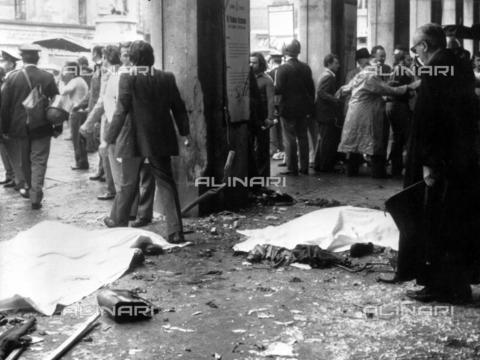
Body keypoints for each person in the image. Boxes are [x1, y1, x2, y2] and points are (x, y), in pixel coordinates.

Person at [385, 24, 480, 304]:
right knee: (457, 222)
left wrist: (428, 163)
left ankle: (440, 286)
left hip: (438, 159)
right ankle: (458, 284)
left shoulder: (432, 70)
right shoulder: (460, 66)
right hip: (461, 158)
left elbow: (428, 119)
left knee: (433, 220)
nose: (416, 54)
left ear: (425, 46)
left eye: (416, 49)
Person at [104, 40, 191, 244]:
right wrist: (185, 132)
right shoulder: (166, 77)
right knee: (166, 183)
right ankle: (176, 231)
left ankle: (118, 224)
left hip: (133, 138)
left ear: (133, 59)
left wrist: (109, 138)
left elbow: (121, 110)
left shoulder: (128, 77)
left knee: (128, 183)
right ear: (151, 57)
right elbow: (178, 106)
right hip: (160, 139)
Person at [0, 44, 60, 209]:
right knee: (39, 161)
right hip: (42, 126)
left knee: (24, 161)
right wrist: (58, 125)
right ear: (37, 58)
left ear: (22, 58)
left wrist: (4, 128)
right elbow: (57, 103)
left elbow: (4, 106)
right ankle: (36, 196)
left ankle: (28, 187)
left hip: (19, 128)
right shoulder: (47, 77)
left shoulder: (12, 78)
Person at [337, 57, 411, 178]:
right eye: (377, 65)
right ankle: (378, 173)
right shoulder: (371, 76)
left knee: (353, 144)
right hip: (367, 115)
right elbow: (388, 90)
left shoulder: (359, 75)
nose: (379, 67)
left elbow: (345, 89)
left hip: (354, 113)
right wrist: (407, 87)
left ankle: (351, 171)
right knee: (375, 143)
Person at [80, 45, 121, 200]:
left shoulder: (109, 73)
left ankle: (113, 191)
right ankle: (115, 190)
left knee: (108, 154)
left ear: (106, 58)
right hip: (116, 119)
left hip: (110, 119)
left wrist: (87, 124)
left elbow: (102, 100)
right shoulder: (120, 71)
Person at [274, 39, 315, 176]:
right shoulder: (306, 67)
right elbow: (311, 89)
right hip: (303, 110)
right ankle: (304, 167)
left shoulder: (282, 69)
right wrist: (309, 108)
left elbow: (278, 89)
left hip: (287, 109)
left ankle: (292, 168)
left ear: (286, 52)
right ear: (298, 52)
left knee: (289, 138)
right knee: (303, 137)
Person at [385, 47, 414, 177]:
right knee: (405, 137)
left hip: (392, 105)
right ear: (402, 60)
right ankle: (403, 168)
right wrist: (412, 92)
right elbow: (402, 90)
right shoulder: (403, 71)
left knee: (397, 138)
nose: (411, 61)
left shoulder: (394, 70)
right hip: (399, 106)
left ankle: (396, 168)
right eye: (408, 59)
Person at [313, 54, 343, 172]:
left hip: (322, 113)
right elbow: (321, 92)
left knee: (323, 139)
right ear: (329, 64)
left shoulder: (326, 75)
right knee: (327, 140)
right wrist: (336, 100)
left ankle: (319, 164)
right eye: (336, 63)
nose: (338, 65)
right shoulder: (329, 76)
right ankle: (325, 166)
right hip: (325, 114)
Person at [61, 61, 89, 170]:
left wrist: (62, 80)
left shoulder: (74, 81)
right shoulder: (81, 80)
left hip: (77, 113)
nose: (65, 73)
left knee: (76, 138)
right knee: (81, 139)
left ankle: (80, 163)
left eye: (67, 70)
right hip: (83, 112)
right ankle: (83, 162)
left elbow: (63, 91)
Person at [250, 52, 274, 178]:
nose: (251, 64)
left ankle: (263, 174)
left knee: (263, 146)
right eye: (250, 62)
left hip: (262, 116)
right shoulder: (247, 77)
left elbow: (271, 100)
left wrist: (270, 118)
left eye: (254, 62)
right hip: (251, 117)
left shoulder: (267, 80)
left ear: (261, 64)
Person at [0, 50, 19, 187]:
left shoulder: (12, 78)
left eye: (5, 61)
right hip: (3, 120)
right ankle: (9, 175)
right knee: (3, 149)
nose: (2, 63)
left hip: (9, 120)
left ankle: (15, 177)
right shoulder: (6, 79)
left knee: (10, 149)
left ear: (11, 64)